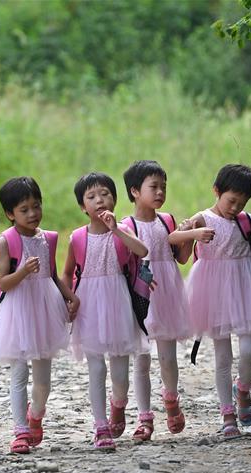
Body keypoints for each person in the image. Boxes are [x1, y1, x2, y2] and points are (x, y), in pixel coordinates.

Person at [178, 164, 251, 438]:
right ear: (216, 191)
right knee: (222, 354)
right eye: (231, 201)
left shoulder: (247, 220)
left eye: (242, 202)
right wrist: (189, 232)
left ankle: (244, 389)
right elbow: (177, 241)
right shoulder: (202, 218)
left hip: (245, 284)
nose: (235, 207)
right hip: (213, 289)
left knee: (249, 347)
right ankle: (227, 413)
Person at [0, 177, 79, 454]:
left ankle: (36, 415)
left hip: (44, 308)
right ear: (9, 214)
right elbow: (3, 282)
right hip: (18, 309)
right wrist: (23, 272)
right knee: (18, 373)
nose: (32, 213)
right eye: (24, 209)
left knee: (43, 380)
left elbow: (51, 275)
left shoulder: (48, 238)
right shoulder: (6, 241)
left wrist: (70, 295)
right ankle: (19, 431)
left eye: (36, 206)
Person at [61, 172, 148, 450]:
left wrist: (117, 230)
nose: (99, 200)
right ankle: (100, 426)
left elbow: (142, 251)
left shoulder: (123, 230)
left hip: (119, 303)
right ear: (82, 207)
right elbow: (66, 273)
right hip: (89, 305)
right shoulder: (77, 237)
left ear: (115, 198)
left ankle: (118, 404)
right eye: (91, 197)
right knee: (96, 367)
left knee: (120, 372)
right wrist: (67, 300)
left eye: (105, 194)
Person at [121, 160, 195, 441]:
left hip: (168, 292)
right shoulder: (126, 225)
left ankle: (171, 397)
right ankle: (144, 418)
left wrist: (189, 236)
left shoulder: (168, 220)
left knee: (167, 356)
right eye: (154, 187)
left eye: (163, 186)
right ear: (135, 191)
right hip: (142, 294)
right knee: (141, 358)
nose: (160, 192)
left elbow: (182, 258)